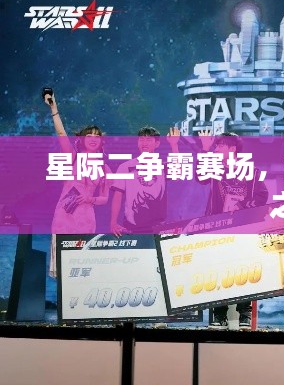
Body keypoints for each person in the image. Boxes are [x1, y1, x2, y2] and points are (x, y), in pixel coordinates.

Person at [196, 130, 269, 330]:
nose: (216, 149)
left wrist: (242, 206)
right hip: (217, 227)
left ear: (232, 148)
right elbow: (200, 176)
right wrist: (204, 149)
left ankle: (244, 314)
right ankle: (219, 315)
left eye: (219, 146)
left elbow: (262, 196)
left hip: (242, 227)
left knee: (244, 269)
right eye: (216, 146)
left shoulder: (250, 170)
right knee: (217, 269)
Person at [44, 92, 111, 278]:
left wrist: (90, 198)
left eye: (96, 136)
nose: (92, 138)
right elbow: (61, 134)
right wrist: (54, 108)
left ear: (101, 141)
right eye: (88, 135)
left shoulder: (105, 168)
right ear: (82, 139)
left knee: (81, 267)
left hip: (86, 217)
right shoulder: (73, 158)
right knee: (62, 267)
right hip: (64, 214)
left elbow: (105, 198)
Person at [110, 126, 180, 236]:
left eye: (148, 139)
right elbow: (117, 195)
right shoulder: (125, 167)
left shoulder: (162, 167)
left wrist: (174, 145)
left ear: (157, 144)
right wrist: (113, 223)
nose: (144, 143)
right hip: (131, 225)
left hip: (158, 227)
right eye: (141, 139)